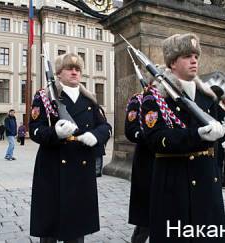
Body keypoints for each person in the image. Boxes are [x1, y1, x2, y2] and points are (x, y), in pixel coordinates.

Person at [140, 33, 225, 243]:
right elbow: (155, 139)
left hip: (207, 182)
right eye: (187, 56)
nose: (194, 60)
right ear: (172, 62)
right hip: (174, 184)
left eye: (196, 56)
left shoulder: (207, 96)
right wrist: (196, 135)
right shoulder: (155, 97)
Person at [29, 53, 112, 243]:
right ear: (58, 73)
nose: (75, 72)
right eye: (69, 68)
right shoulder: (45, 96)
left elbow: (106, 127)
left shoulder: (89, 99)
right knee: (49, 228)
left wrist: (96, 136)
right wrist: (55, 133)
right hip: (53, 168)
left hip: (81, 169)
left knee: (77, 228)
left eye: (78, 69)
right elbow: (34, 129)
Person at [125, 93, 154, 243]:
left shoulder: (175, 97)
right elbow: (131, 129)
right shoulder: (139, 100)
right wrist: (152, 136)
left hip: (172, 163)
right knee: (146, 216)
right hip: (148, 161)